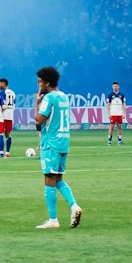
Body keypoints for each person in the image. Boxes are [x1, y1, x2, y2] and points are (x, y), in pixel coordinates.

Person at [33, 67, 82, 229]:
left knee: (49, 179)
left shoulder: (49, 98)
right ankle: (74, 206)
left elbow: (39, 120)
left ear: (47, 82)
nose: (39, 85)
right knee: (58, 178)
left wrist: (37, 103)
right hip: (63, 142)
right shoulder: (64, 97)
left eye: (40, 82)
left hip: (51, 143)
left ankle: (53, 219)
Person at [0, 78, 17, 157]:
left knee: (0, 134)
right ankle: (7, 152)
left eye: (0, 84)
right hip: (10, 115)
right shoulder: (13, 93)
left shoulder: (2, 92)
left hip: (3, 115)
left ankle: (0, 152)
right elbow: (14, 103)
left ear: (4, 83)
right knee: (8, 135)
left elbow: (2, 104)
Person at [105, 81, 126, 146]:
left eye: (116, 86)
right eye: (113, 86)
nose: (115, 87)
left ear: (118, 86)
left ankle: (119, 141)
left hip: (119, 113)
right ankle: (109, 141)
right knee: (111, 127)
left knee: (119, 127)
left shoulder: (122, 95)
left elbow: (124, 104)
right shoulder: (110, 95)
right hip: (113, 113)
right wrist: (109, 113)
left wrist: (124, 113)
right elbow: (108, 105)